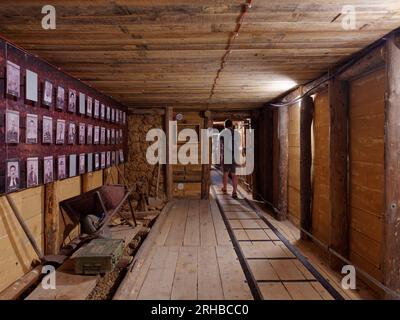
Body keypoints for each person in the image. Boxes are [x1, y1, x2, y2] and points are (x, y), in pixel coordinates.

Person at [219, 119, 241, 199]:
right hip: (235, 155)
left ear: (224, 125)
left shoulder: (222, 133)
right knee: (234, 175)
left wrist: (221, 155)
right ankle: (234, 192)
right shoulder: (237, 133)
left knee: (225, 173)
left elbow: (220, 147)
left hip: (226, 155)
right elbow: (238, 145)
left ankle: (224, 189)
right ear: (232, 125)